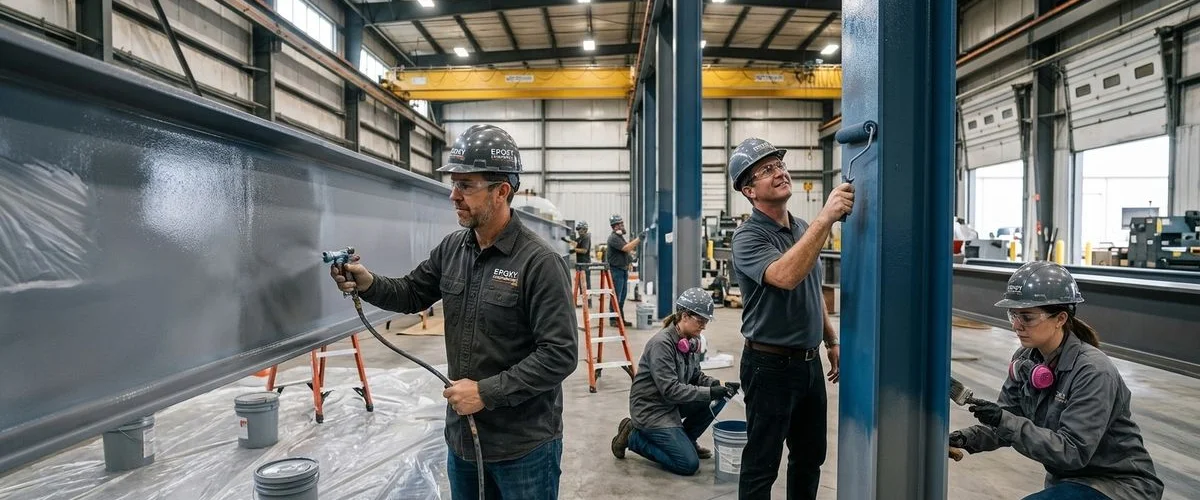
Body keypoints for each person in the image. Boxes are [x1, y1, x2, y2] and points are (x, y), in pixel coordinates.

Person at [330, 124, 578, 500]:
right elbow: (412, 293)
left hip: (523, 448)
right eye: (453, 184)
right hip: (463, 440)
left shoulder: (539, 262)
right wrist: (367, 282)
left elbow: (560, 354)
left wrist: (486, 392)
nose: (453, 195)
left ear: (501, 191)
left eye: (465, 185)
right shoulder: (452, 249)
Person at [950, 261, 1164, 500]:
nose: (1017, 326)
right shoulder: (1025, 359)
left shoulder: (1093, 372)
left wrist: (1003, 420)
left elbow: (1072, 451)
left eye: (1027, 317)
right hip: (1070, 481)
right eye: (1014, 315)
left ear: (1060, 318)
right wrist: (965, 438)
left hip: (1118, 485)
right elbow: (1006, 422)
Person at [726, 137, 854, 499]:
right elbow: (786, 276)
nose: (780, 172)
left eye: (780, 165)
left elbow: (811, 289)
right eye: (767, 170)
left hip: (808, 364)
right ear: (749, 191)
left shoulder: (800, 228)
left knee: (810, 458)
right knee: (762, 465)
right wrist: (825, 218)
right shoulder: (747, 237)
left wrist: (831, 340)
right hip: (769, 367)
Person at [610, 287, 740, 475]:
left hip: (672, 404)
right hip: (652, 409)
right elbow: (670, 390)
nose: (704, 326)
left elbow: (695, 375)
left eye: (706, 321)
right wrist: (709, 392)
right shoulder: (661, 344)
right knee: (688, 465)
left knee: (720, 398)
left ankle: (688, 439)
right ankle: (632, 436)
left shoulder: (691, 341)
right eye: (700, 321)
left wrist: (715, 385)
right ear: (684, 316)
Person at [605, 214, 645, 327]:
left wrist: (629, 261)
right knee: (616, 296)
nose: (623, 226)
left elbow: (625, 251)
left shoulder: (619, 237)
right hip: (616, 270)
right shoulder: (613, 238)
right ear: (615, 226)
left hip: (622, 269)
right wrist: (639, 239)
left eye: (622, 223)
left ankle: (620, 319)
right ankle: (613, 319)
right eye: (620, 224)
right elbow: (626, 248)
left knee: (622, 297)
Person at [572, 220, 592, 307]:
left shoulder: (586, 237)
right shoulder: (580, 238)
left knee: (586, 284)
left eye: (581, 229)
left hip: (585, 264)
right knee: (581, 284)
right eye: (578, 229)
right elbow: (575, 243)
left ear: (585, 229)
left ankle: (588, 303)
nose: (579, 231)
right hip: (580, 264)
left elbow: (584, 250)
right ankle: (585, 302)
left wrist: (573, 249)